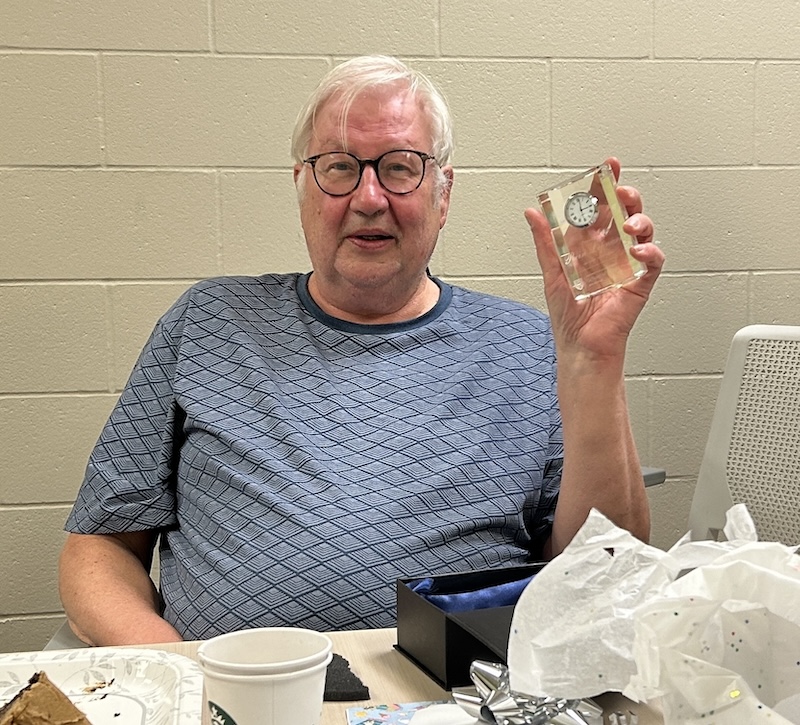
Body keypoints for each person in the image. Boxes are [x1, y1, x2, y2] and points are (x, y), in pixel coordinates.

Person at [58, 55, 665, 646]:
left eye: (400, 167)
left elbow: (604, 571)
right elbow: (100, 546)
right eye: (340, 168)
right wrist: (177, 672)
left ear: (443, 194)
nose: (370, 198)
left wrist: (594, 362)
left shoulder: (533, 346)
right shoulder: (208, 323)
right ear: (302, 187)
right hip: (231, 693)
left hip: (461, 692)